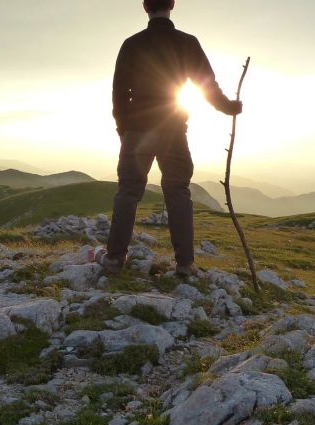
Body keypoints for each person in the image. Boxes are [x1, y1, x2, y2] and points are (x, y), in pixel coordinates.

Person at [96, 0, 243, 277]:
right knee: (178, 192)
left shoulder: (132, 44)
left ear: (145, 7)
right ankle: (186, 265)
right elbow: (206, 85)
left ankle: (114, 260)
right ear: (172, 5)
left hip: (137, 130)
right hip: (174, 129)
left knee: (128, 191)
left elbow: (118, 93)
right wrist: (229, 107)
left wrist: (123, 129)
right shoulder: (187, 42)